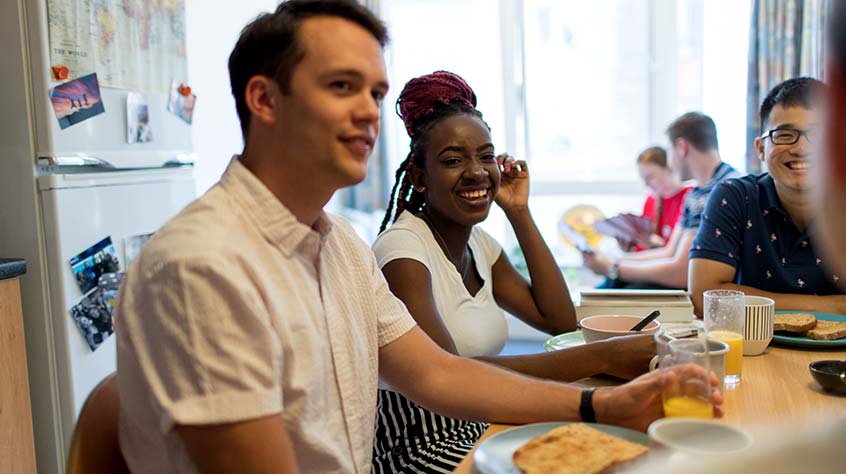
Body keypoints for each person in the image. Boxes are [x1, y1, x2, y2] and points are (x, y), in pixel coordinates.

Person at [115, 2, 721, 473]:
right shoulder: (203, 266)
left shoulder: (342, 247)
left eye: (375, 93)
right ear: (264, 99)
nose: (369, 112)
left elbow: (437, 375)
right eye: (341, 87)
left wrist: (606, 406)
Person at [372, 71, 656, 471]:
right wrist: (602, 356)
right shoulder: (402, 251)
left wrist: (519, 211)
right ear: (420, 178)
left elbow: (557, 319)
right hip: (422, 445)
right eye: (453, 160)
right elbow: (445, 376)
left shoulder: (479, 243)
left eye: (486, 156)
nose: (476, 172)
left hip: (481, 420)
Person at [689, 78, 845, 315]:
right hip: (755, 347)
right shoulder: (734, 197)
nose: (801, 148)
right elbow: (704, 297)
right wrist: (832, 305)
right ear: (761, 148)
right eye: (784, 135)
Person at [583, 112, 740, 289]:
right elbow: (669, 252)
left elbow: (682, 272)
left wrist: (614, 268)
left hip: (704, 292)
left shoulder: (720, 192)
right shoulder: (697, 193)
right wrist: (614, 259)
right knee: (614, 284)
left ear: (682, 147)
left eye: (670, 152)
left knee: (618, 288)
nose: (670, 163)